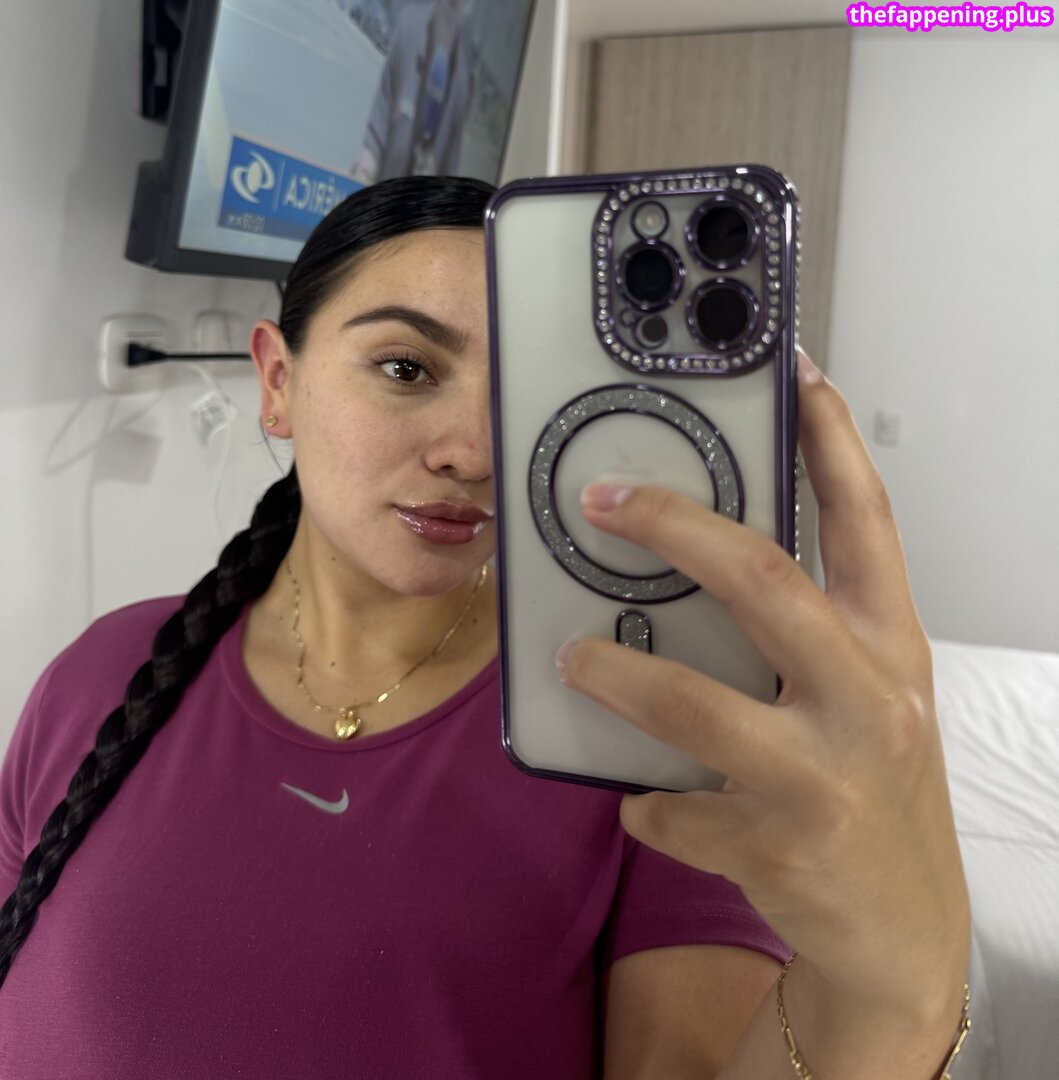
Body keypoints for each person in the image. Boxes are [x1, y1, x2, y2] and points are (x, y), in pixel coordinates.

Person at [0, 175, 971, 1078]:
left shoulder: (639, 727)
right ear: (278, 381)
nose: (474, 453)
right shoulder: (100, 673)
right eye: (405, 367)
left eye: (524, 394)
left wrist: (900, 997)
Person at [352, 0, 471, 184]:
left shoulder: (460, 80)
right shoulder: (410, 26)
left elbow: (451, 163)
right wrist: (366, 166)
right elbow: (384, 103)